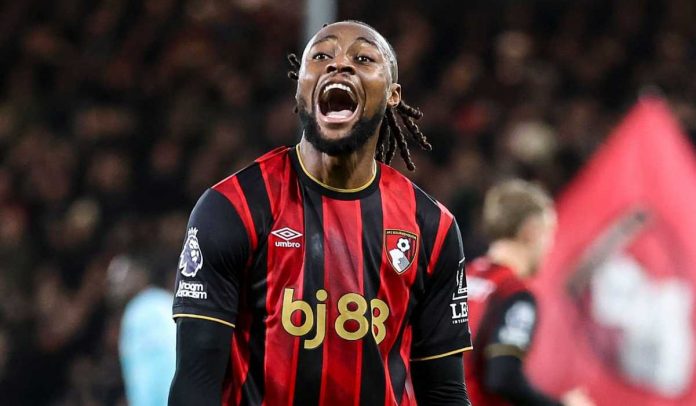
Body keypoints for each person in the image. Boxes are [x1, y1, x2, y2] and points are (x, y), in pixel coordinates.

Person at [168, 20, 472, 405]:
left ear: (393, 95)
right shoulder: (233, 207)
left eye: (363, 58)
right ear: (299, 89)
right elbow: (196, 381)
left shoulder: (431, 227)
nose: (339, 64)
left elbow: (444, 391)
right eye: (322, 55)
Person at [464, 180, 594, 406]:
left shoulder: (463, 276)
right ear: (531, 231)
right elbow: (502, 378)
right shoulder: (514, 294)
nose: (549, 247)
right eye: (548, 233)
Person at [113, 255, 177, 406]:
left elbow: (148, 379)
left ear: (141, 274)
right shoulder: (165, 302)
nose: (115, 280)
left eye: (122, 271)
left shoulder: (142, 310)